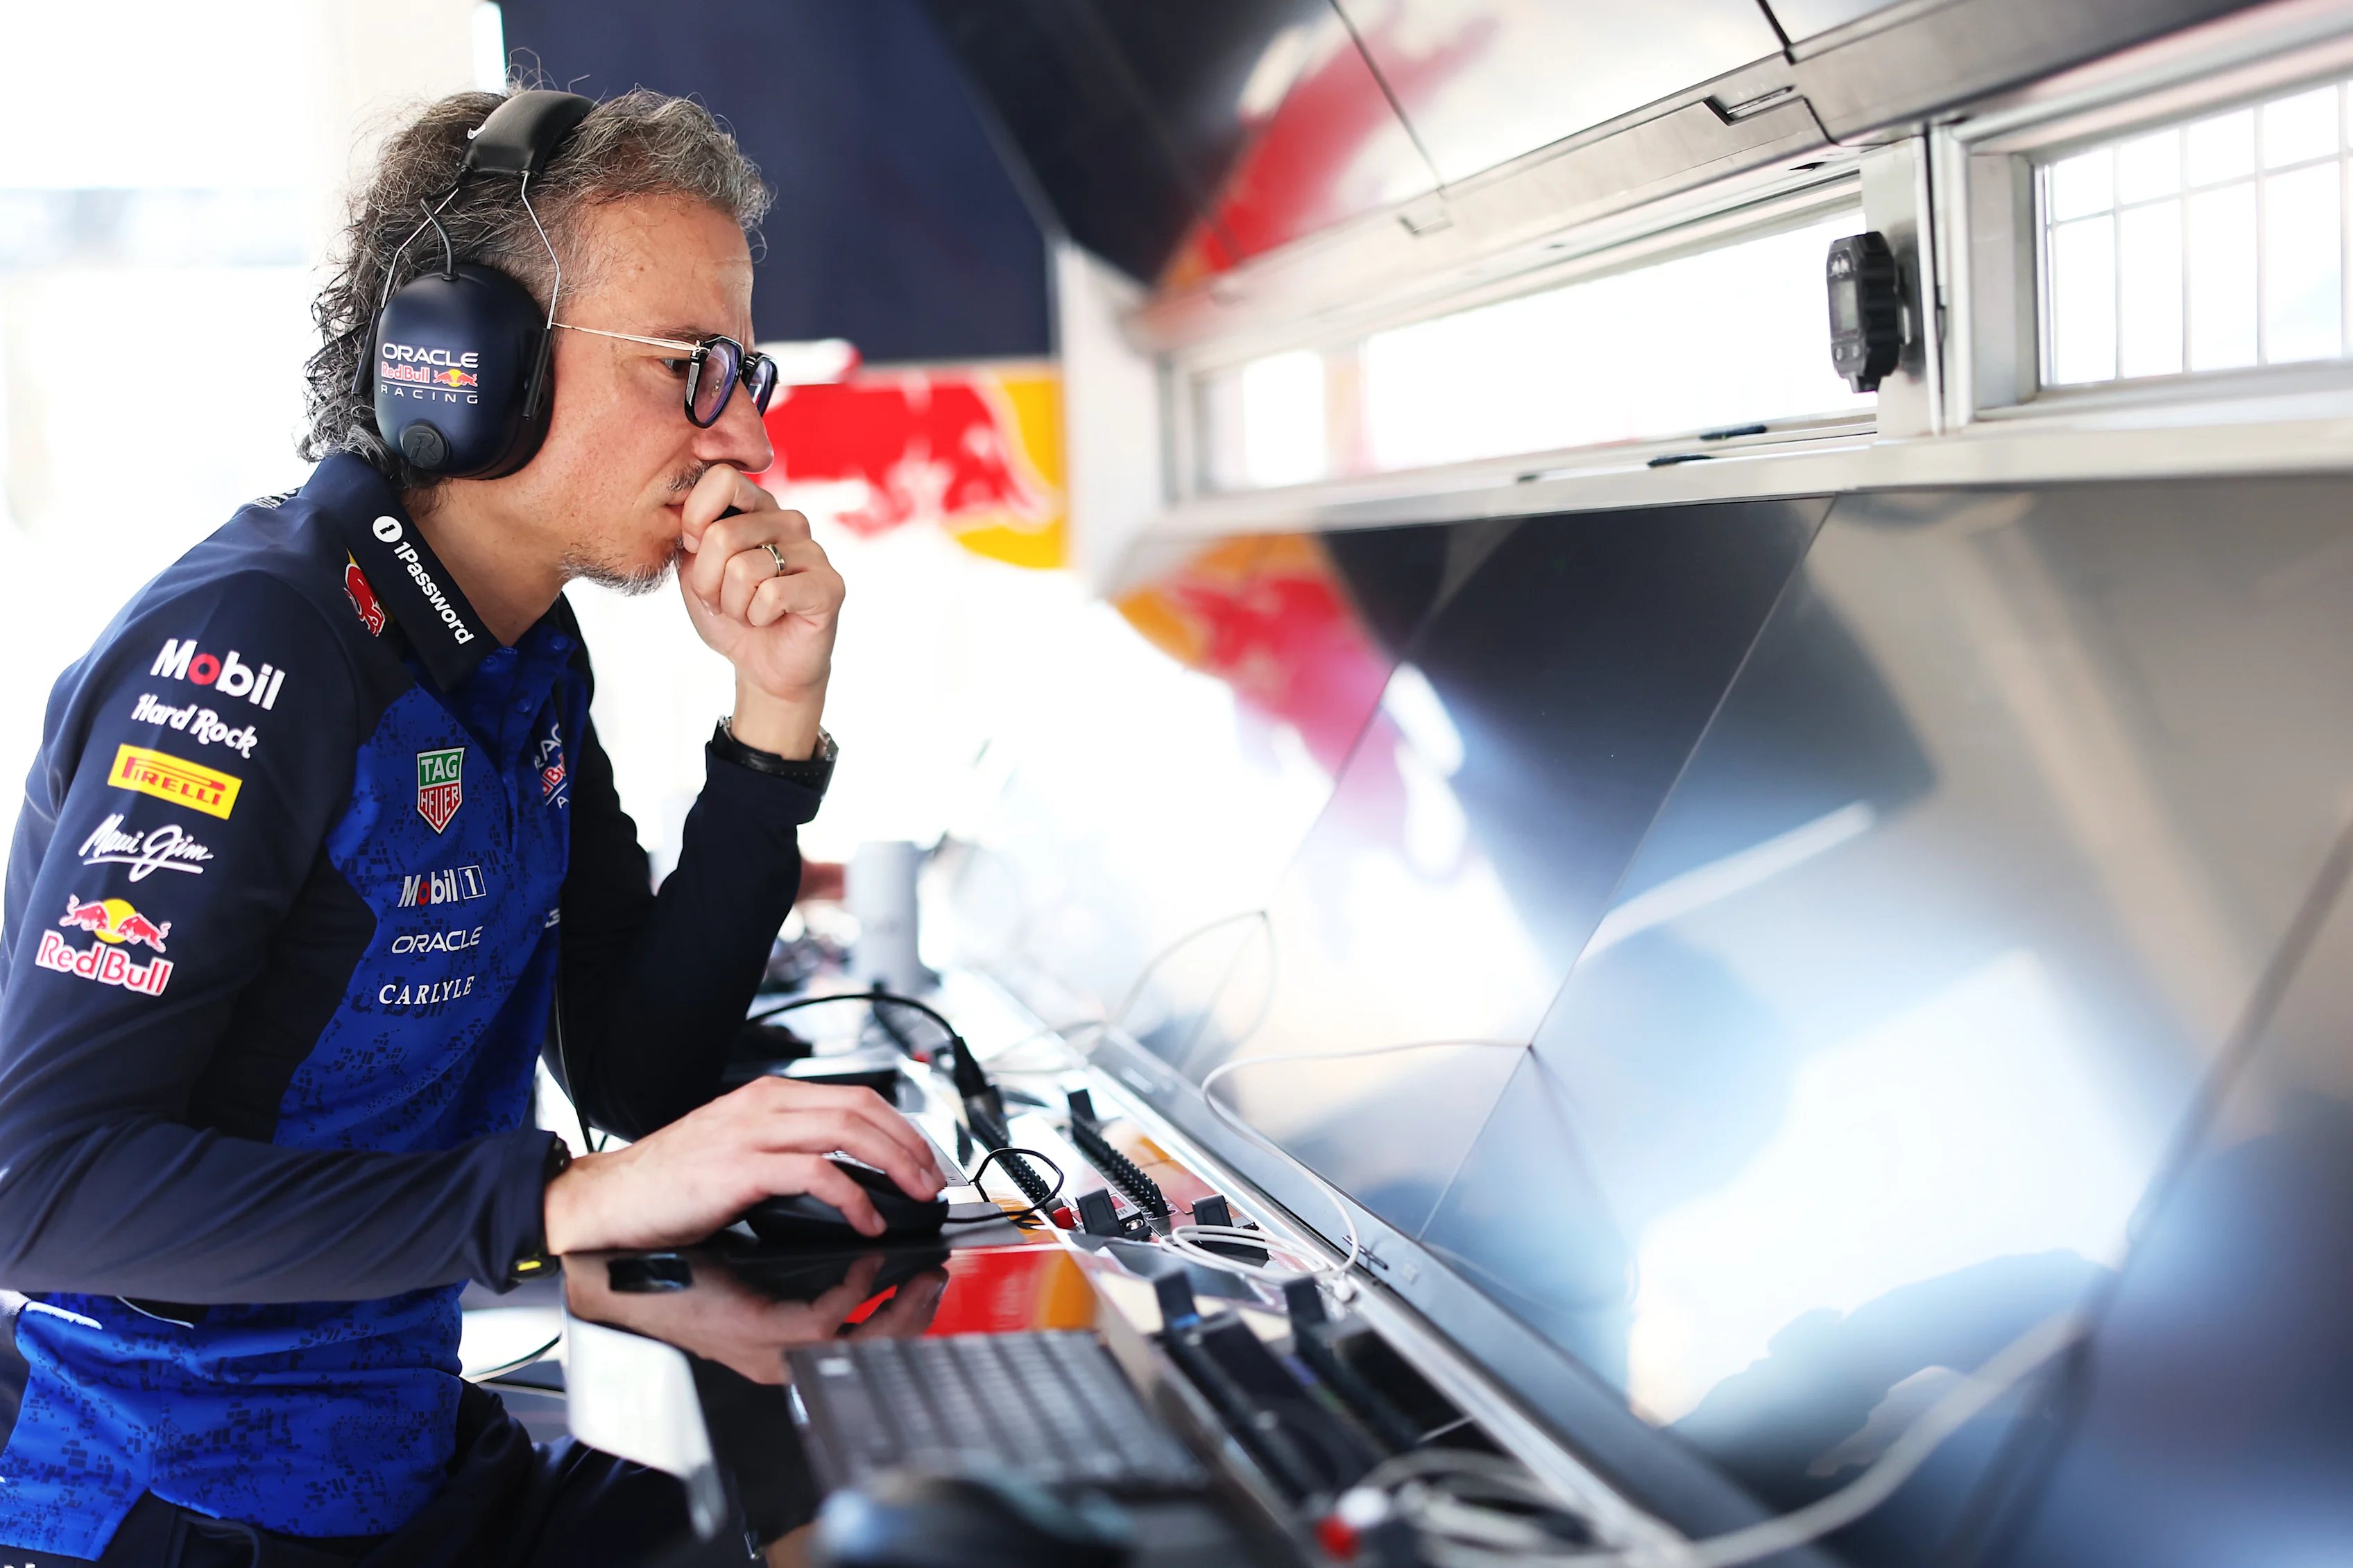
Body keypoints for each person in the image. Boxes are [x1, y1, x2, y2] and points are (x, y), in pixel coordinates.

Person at [0, 86, 951, 1564]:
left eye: (744, 370)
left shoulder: (518, 658)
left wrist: (774, 721)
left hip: (407, 1460)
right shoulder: (256, 651)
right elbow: (41, 1189)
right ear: (468, 364)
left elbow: (638, 1063)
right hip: (169, 1507)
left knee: (905, 1516)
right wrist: (564, 1200)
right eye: (691, 367)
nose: (747, 435)